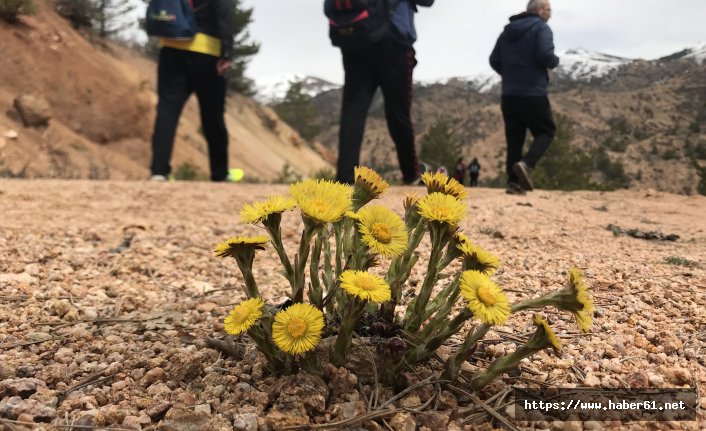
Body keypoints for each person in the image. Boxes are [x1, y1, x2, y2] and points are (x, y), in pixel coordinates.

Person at [335, 0, 434, 185]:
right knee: (399, 112)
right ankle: (410, 173)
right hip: (393, 40)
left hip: (355, 35)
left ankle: (344, 177)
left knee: (353, 110)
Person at [149, 0, 236, 182]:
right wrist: (226, 52)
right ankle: (219, 174)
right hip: (207, 52)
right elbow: (224, 12)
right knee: (212, 115)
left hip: (172, 47)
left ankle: (159, 171)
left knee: (166, 111)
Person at [489, 0, 559, 195]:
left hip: (509, 94)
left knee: (514, 139)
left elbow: (493, 60)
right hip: (533, 92)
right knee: (546, 131)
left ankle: (513, 184)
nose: (550, 14)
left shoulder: (506, 32)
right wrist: (555, 61)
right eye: (548, 10)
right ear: (538, 10)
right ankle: (527, 164)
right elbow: (546, 55)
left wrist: (510, 75)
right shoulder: (541, 28)